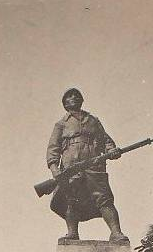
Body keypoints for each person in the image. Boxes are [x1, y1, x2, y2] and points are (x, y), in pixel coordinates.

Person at [46, 88, 129, 243]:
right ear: (64, 103)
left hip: (94, 166)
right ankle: (72, 233)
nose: (73, 97)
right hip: (71, 167)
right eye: (69, 96)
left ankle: (116, 232)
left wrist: (112, 150)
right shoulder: (61, 124)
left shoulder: (93, 121)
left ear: (82, 100)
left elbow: (106, 140)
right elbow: (53, 148)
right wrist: (54, 169)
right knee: (71, 199)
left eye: (76, 95)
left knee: (104, 199)